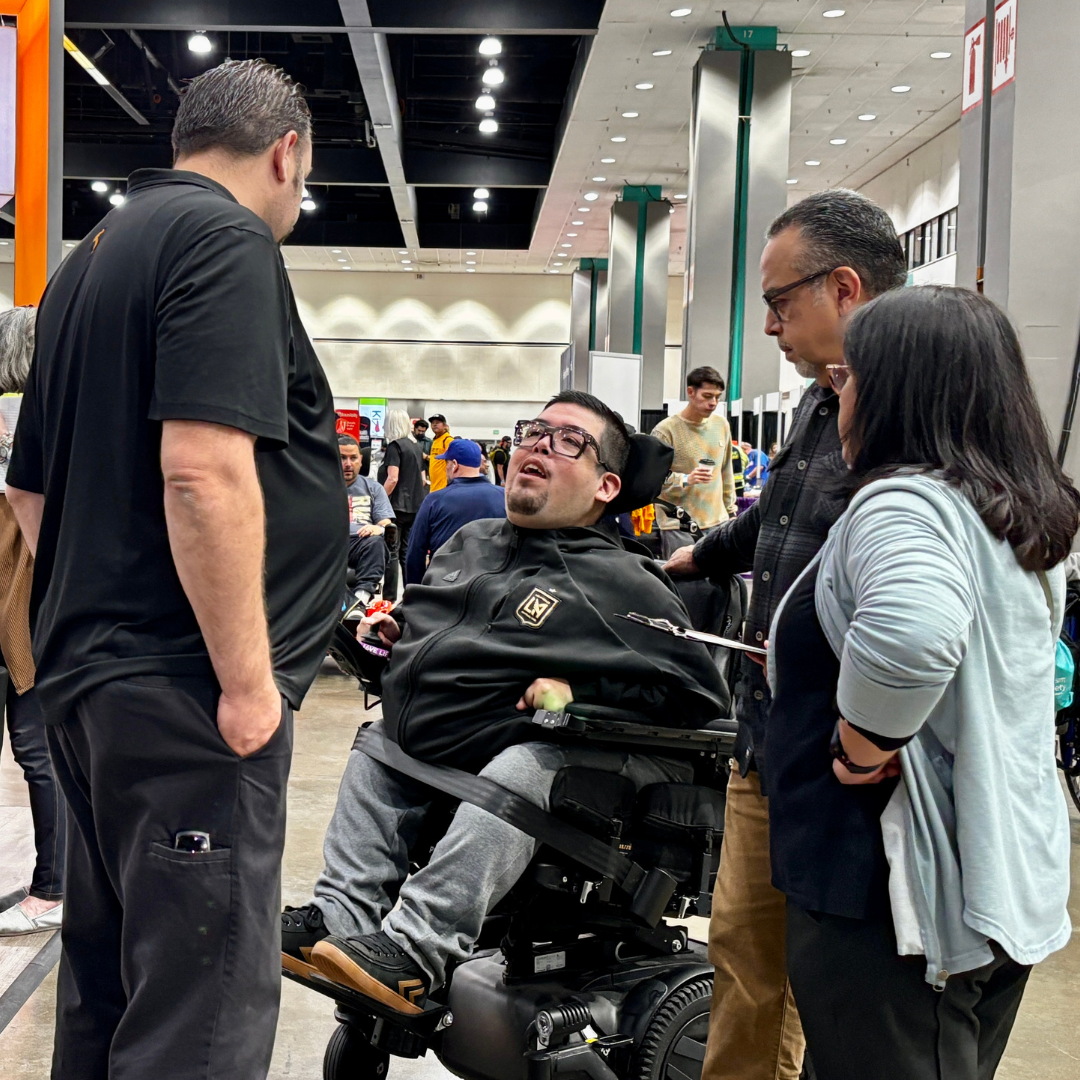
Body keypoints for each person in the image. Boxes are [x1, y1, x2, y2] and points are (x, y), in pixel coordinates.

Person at [7, 59, 345, 1078]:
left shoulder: (90, 256)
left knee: (110, 991)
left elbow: (28, 495)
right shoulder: (223, 240)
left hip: (91, 687)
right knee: (198, 1012)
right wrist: (247, 686)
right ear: (288, 152)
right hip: (182, 693)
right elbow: (202, 470)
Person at [281, 390, 727, 1013]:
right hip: (465, 737)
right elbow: (442, 622)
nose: (539, 444)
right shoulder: (474, 543)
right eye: (533, 431)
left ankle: (417, 950)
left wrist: (584, 693)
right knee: (380, 742)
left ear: (605, 487)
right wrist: (396, 632)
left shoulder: (624, 581)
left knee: (522, 766)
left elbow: (699, 697)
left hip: (564, 755)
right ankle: (342, 917)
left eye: (569, 440)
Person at [767, 286, 1079, 1079]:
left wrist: (864, 740)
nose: (838, 398)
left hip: (891, 895)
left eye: (849, 379)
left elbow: (911, 638)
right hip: (993, 866)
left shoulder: (903, 504)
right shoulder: (1010, 511)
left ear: (896, 389)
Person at [664, 189, 907, 1080]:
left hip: (851, 761)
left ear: (844, 288)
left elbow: (917, 617)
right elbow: (778, 511)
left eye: (779, 304)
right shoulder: (817, 400)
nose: (768, 327)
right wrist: (699, 558)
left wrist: (871, 731)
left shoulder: (912, 410)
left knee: (830, 979)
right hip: (768, 736)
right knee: (743, 951)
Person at [0, 307, 65, 937]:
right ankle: (50, 886)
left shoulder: (44, 419)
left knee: (39, 754)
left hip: (30, 616)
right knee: (39, 754)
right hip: (33, 612)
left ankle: (52, 887)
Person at [404, 439, 506, 585]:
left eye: (446, 463)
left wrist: (415, 593)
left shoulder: (434, 500)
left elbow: (415, 554)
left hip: (444, 588)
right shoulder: (505, 497)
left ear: (455, 465)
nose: (445, 469)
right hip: (492, 587)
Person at [652, 367, 735, 530]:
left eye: (718, 397)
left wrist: (731, 511)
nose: (713, 403)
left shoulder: (721, 425)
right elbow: (652, 479)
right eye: (707, 396)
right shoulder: (666, 431)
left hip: (719, 522)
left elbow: (726, 470)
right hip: (679, 525)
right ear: (690, 392)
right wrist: (684, 479)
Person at [341, 434, 395, 608]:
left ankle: (359, 601)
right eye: (342, 458)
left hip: (360, 543)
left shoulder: (374, 488)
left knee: (376, 542)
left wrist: (378, 528)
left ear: (361, 460)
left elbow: (386, 523)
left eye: (353, 458)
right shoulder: (319, 487)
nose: (348, 463)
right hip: (329, 542)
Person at [378, 409, 425, 600]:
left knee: (391, 552)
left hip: (395, 507)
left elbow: (392, 478)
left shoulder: (394, 447)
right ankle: (412, 593)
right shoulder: (416, 447)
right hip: (415, 505)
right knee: (407, 552)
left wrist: (379, 498)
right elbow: (422, 480)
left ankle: (389, 597)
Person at [427, 413, 455, 492]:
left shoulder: (448, 440)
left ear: (445, 426)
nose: (434, 425)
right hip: (434, 485)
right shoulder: (435, 440)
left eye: (438, 423)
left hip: (443, 486)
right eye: (433, 423)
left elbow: (453, 461)